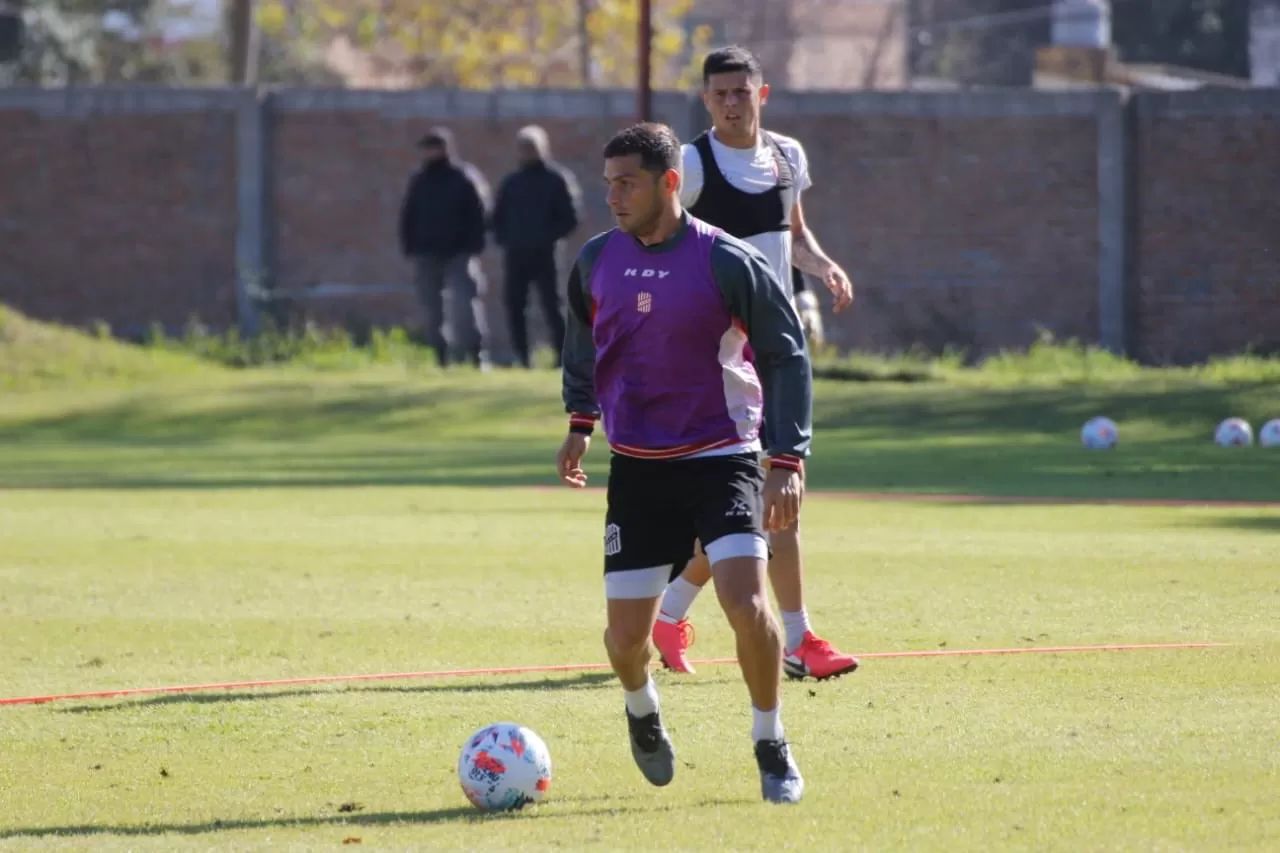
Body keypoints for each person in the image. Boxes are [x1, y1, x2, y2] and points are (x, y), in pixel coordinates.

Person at [556, 122, 812, 804]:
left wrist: (786, 457)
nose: (613, 196)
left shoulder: (727, 261)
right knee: (622, 639)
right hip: (638, 470)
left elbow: (787, 354)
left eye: (627, 183)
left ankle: (770, 739)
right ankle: (641, 708)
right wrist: (580, 422)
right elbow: (582, 344)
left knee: (745, 600)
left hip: (720, 456)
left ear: (669, 182)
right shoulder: (594, 260)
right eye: (608, 183)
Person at [650, 45, 859, 681]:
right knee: (760, 495)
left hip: (776, 344)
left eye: (743, 92)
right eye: (721, 95)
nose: (733, 103)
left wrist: (821, 265)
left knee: (773, 492)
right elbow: (660, 239)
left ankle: (677, 614)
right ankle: (794, 639)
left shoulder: (788, 156)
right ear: (706, 100)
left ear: (761, 94)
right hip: (718, 354)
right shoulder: (690, 163)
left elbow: (791, 233)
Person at [398, 126, 492, 369]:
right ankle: (441, 357)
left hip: (459, 252)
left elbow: (480, 213)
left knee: (465, 305)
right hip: (426, 252)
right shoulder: (420, 179)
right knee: (432, 310)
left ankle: (476, 354)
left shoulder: (463, 177)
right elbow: (409, 214)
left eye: (432, 148)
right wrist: (410, 244)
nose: (428, 153)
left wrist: (473, 244)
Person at [491, 125, 581, 368]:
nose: (527, 152)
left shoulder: (557, 179)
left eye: (532, 147)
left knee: (553, 306)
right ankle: (522, 357)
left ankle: (561, 357)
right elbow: (497, 217)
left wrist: (547, 237)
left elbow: (570, 217)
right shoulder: (512, 182)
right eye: (523, 147)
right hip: (516, 253)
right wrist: (506, 239)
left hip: (545, 253)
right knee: (515, 306)